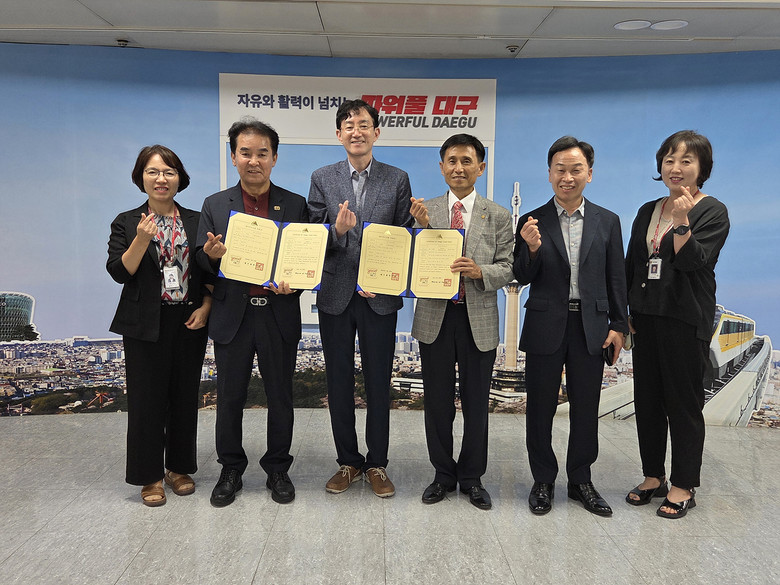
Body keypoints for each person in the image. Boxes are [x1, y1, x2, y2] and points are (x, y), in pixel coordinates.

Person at [196, 118, 308, 507]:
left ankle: (278, 468)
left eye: (262, 153)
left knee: (281, 397)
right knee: (230, 398)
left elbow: (305, 260)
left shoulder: (295, 204)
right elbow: (200, 263)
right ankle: (231, 468)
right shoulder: (214, 205)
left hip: (278, 313)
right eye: (246, 153)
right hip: (234, 316)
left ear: (274, 158)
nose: (254, 161)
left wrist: (296, 283)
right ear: (233, 157)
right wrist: (211, 257)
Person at [513, 136, 628, 517]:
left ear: (589, 174)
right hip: (545, 324)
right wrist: (531, 249)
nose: (567, 177)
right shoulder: (531, 221)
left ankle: (581, 480)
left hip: (591, 327)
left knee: (585, 408)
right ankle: (543, 480)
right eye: (560, 169)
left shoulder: (608, 221)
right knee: (540, 408)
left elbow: (616, 279)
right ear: (549, 174)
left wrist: (619, 325)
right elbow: (521, 275)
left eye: (575, 169)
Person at [308, 99, 413, 497]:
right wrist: (336, 230)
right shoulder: (322, 177)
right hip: (336, 293)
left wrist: (382, 276)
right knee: (338, 381)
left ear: (376, 132)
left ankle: (377, 464)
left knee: (378, 381)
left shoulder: (397, 178)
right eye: (349, 125)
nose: (357, 131)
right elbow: (313, 233)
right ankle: (348, 461)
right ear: (339, 134)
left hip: (378, 295)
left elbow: (403, 236)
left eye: (364, 124)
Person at [625, 130, 729, 518]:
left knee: (683, 405)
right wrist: (625, 313)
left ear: (702, 168)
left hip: (684, 320)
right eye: (669, 160)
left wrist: (682, 223)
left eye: (686, 161)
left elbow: (693, 262)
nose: (676, 167)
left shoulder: (712, 210)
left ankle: (684, 485)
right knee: (648, 401)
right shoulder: (648, 210)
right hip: (646, 320)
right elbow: (634, 264)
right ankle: (653, 476)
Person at [410, 134, 513, 510]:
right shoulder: (424, 210)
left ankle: (471, 477)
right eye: (451, 161)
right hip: (435, 317)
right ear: (441, 167)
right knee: (437, 402)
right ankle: (442, 474)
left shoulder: (498, 215)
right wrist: (421, 228)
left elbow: (508, 267)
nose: (459, 168)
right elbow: (412, 260)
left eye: (467, 161)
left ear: (480, 168)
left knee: (476, 403)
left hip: (478, 318)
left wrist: (480, 271)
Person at [107, 145, 212, 507]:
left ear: (180, 178)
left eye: (169, 172)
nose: (161, 179)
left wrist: (207, 306)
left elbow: (208, 273)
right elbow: (120, 272)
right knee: (146, 402)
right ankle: (149, 476)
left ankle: (178, 469)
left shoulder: (198, 220)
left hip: (189, 319)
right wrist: (141, 238)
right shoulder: (126, 221)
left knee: (184, 397)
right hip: (144, 322)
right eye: (152, 172)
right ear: (141, 178)